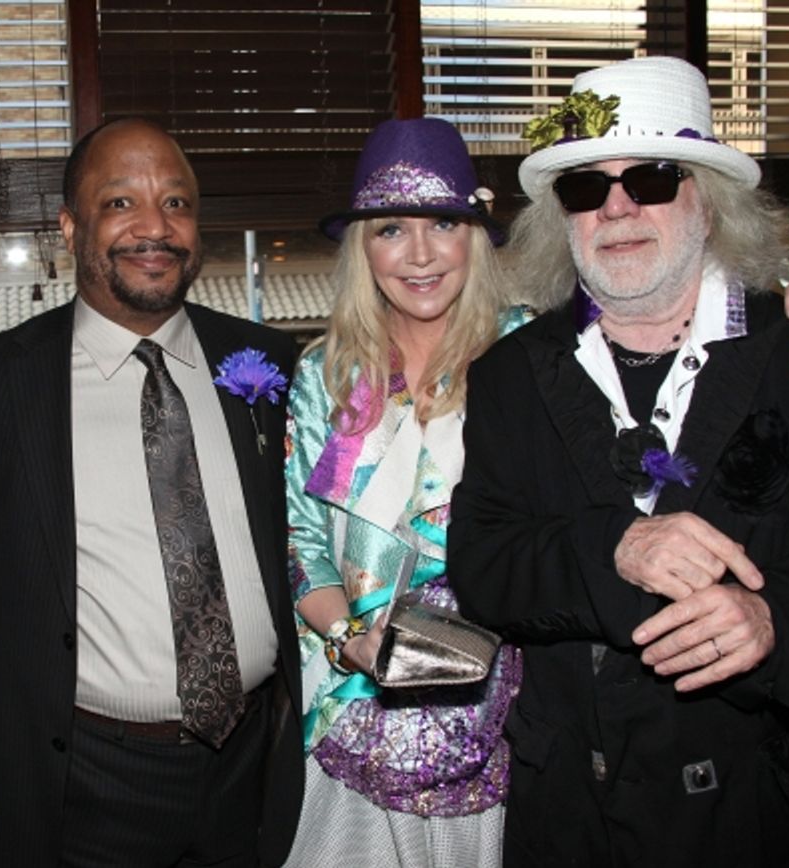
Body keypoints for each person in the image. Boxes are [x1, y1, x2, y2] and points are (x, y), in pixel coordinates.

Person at [446, 55, 789, 868]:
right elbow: (483, 562)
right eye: (584, 188)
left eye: (651, 177)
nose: (616, 207)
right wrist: (614, 548)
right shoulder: (509, 374)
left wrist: (779, 614)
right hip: (568, 813)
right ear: (562, 220)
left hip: (742, 811)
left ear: (708, 206)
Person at [0, 118, 304, 867]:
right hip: (88, 779)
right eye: (120, 204)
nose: (156, 227)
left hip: (253, 761)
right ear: (70, 226)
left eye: (176, 203)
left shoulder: (267, 365)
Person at [283, 117, 525, 868]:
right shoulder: (325, 376)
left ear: (474, 239)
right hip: (351, 706)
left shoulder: (529, 355)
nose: (419, 255)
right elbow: (301, 542)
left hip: (503, 717)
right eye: (391, 229)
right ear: (364, 249)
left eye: (444, 224)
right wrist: (351, 642)